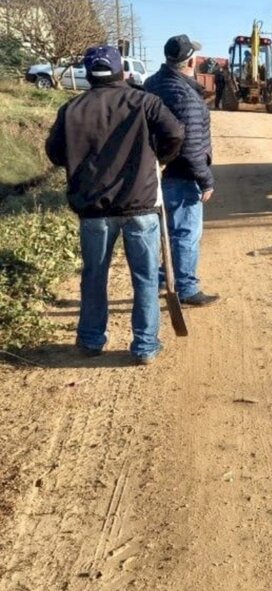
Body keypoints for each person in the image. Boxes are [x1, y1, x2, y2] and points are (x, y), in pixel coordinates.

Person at [45, 45, 184, 364]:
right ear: (122, 71)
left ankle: (92, 340)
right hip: (139, 207)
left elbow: (54, 153)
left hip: (94, 209)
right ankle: (145, 345)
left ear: (88, 74)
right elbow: (175, 132)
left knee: (94, 275)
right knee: (146, 277)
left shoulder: (72, 109)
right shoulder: (144, 101)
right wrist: (159, 159)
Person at [145, 34, 219, 307]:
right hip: (182, 173)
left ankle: (166, 278)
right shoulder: (185, 94)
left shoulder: (152, 84)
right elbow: (190, 146)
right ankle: (186, 288)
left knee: (166, 229)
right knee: (186, 232)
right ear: (190, 60)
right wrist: (205, 179)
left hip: (155, 170)